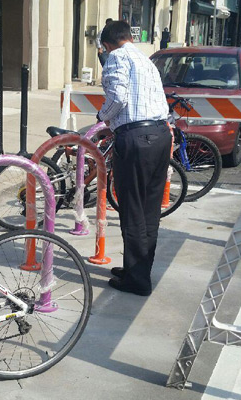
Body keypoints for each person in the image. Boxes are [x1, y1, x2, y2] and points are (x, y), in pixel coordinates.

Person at [97, 21, 170, 297]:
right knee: (149, 210)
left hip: (136, 140)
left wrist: (102, 116)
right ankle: (136, 269)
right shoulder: (145, 60)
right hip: (160, 135)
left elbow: (117, 97)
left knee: (133, 209)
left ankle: (137, 280)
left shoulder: (116, 57)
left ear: (107, 44)